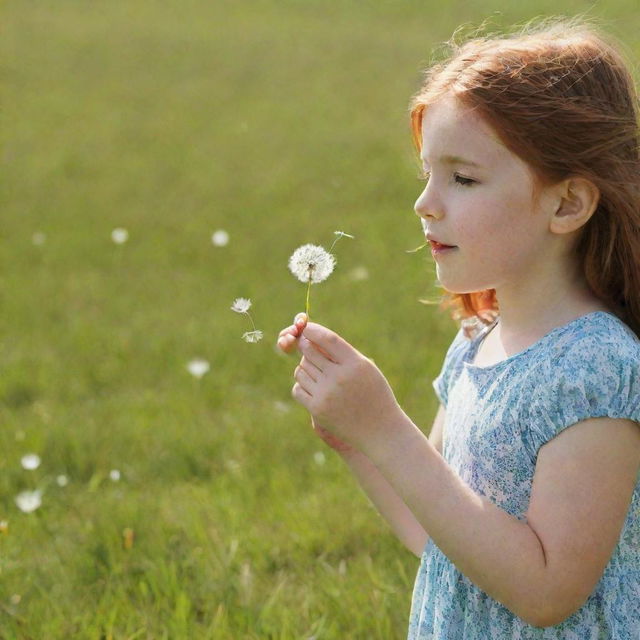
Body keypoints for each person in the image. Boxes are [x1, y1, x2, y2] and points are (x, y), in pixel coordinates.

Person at [277, 17, 640, 639]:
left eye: (463, 178)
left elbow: (547, 591)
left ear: (567, 204)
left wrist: (388, 430)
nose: (425, 202)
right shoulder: (478, 341)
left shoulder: (596, 364)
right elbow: (438, 535)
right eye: (427, 174)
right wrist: (359, 442)